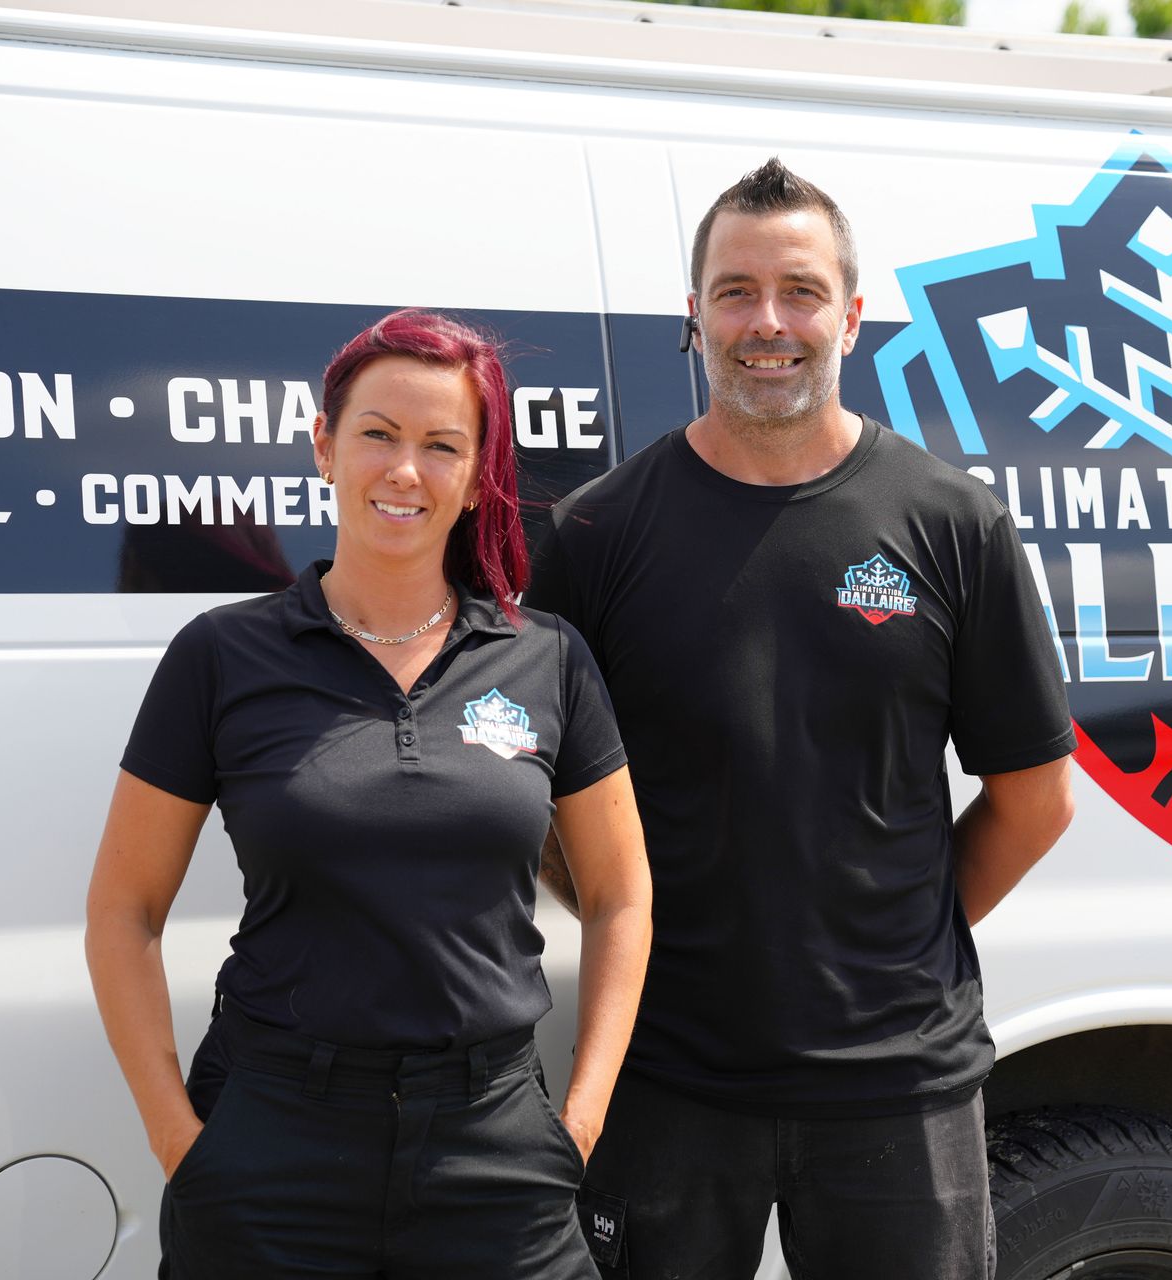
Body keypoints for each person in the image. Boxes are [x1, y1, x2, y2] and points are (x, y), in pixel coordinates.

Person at [524, 159, 1076, 1280]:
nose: (766, 322)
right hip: (665, 1074)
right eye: (734, 290)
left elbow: (1034, 797)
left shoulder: (951, 522)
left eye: (800, 290)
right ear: (692, 316)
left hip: (901, 1086)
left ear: (851, 315)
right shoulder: (596, 535)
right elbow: (532, 800)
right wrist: (637, 930)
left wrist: (894, 935)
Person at [85, 309, 652, 1279]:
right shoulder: (223, 656)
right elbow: (122, 910)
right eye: (378, 434)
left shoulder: (545, 658)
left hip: (495, 1143)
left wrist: (580, 1120)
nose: (405, 470)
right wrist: (180, 1139)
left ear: (477, 477)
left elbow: (621, 894)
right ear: (324, 446)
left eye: (442, 445)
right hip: (272, 1141)